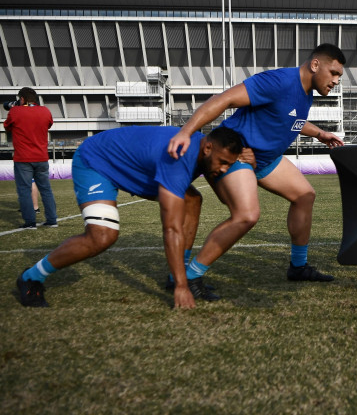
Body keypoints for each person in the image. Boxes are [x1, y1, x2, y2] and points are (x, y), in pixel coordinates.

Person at [167, 43, 345, 286]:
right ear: (315, 65)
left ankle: (298, 266)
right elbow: (224, 99)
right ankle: (187, 277)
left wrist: (319, 133)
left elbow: (290, 120)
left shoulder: (306, 93)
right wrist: (186, 132)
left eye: (339, 76)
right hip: (233, 154)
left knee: (305, 195)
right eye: (334, 73)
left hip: (264, 160)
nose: (336, 80)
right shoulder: (280, 81)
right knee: (247, 215)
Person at [15, 126, 242, 308]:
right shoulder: (179, 158)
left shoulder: (202, 151)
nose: (223, 169)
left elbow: (226, 199)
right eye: (222, 162)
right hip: (97, 162)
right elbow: (171, 228)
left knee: (192, 199)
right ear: (208, 148)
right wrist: (182, 288)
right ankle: (31, 277)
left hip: (134, 168)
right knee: (102, 236)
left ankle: (176, 275)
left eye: (228, 165)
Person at [3, 87, 58, 229]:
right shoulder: (45, 111)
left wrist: (15, 108)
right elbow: (49, 124)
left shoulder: (16, 111)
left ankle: (30, 222)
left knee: (24, 190)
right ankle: (52, 220)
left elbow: (7, 126)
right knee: (46, 189)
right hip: (41, 156)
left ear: (22, 99)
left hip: (23, 158)